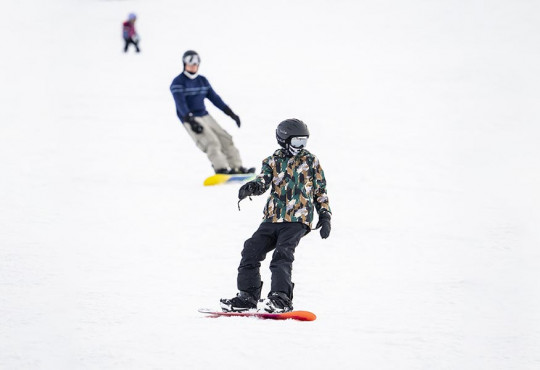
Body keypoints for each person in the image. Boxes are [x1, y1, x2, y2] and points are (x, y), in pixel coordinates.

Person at [220, 118, 332, 313]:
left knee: (282, 254)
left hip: (298, 218)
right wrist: (252, 187)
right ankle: (247, 297)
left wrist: (325, 215)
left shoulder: (311, 161)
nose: (301, 146)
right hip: (272, 218)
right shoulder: (272, 160)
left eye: (304, 142)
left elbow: (320, 191)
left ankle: (281, 298)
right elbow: (263, 181)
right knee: (250, 250)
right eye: (297, 141)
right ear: (284, 140)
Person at [170, 50, 254, 174]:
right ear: (184, 64)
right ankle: (221, 168)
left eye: (195, 63)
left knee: (225, 138)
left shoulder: (202, 80)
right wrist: (190, 120)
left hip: (204, 115)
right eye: (190, 63)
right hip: (190, 117)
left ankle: (237, 167)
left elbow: (215, 98)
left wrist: (231, 114)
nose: (193, 66)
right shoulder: (178, 82)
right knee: (211, 141)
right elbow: (180, 103)